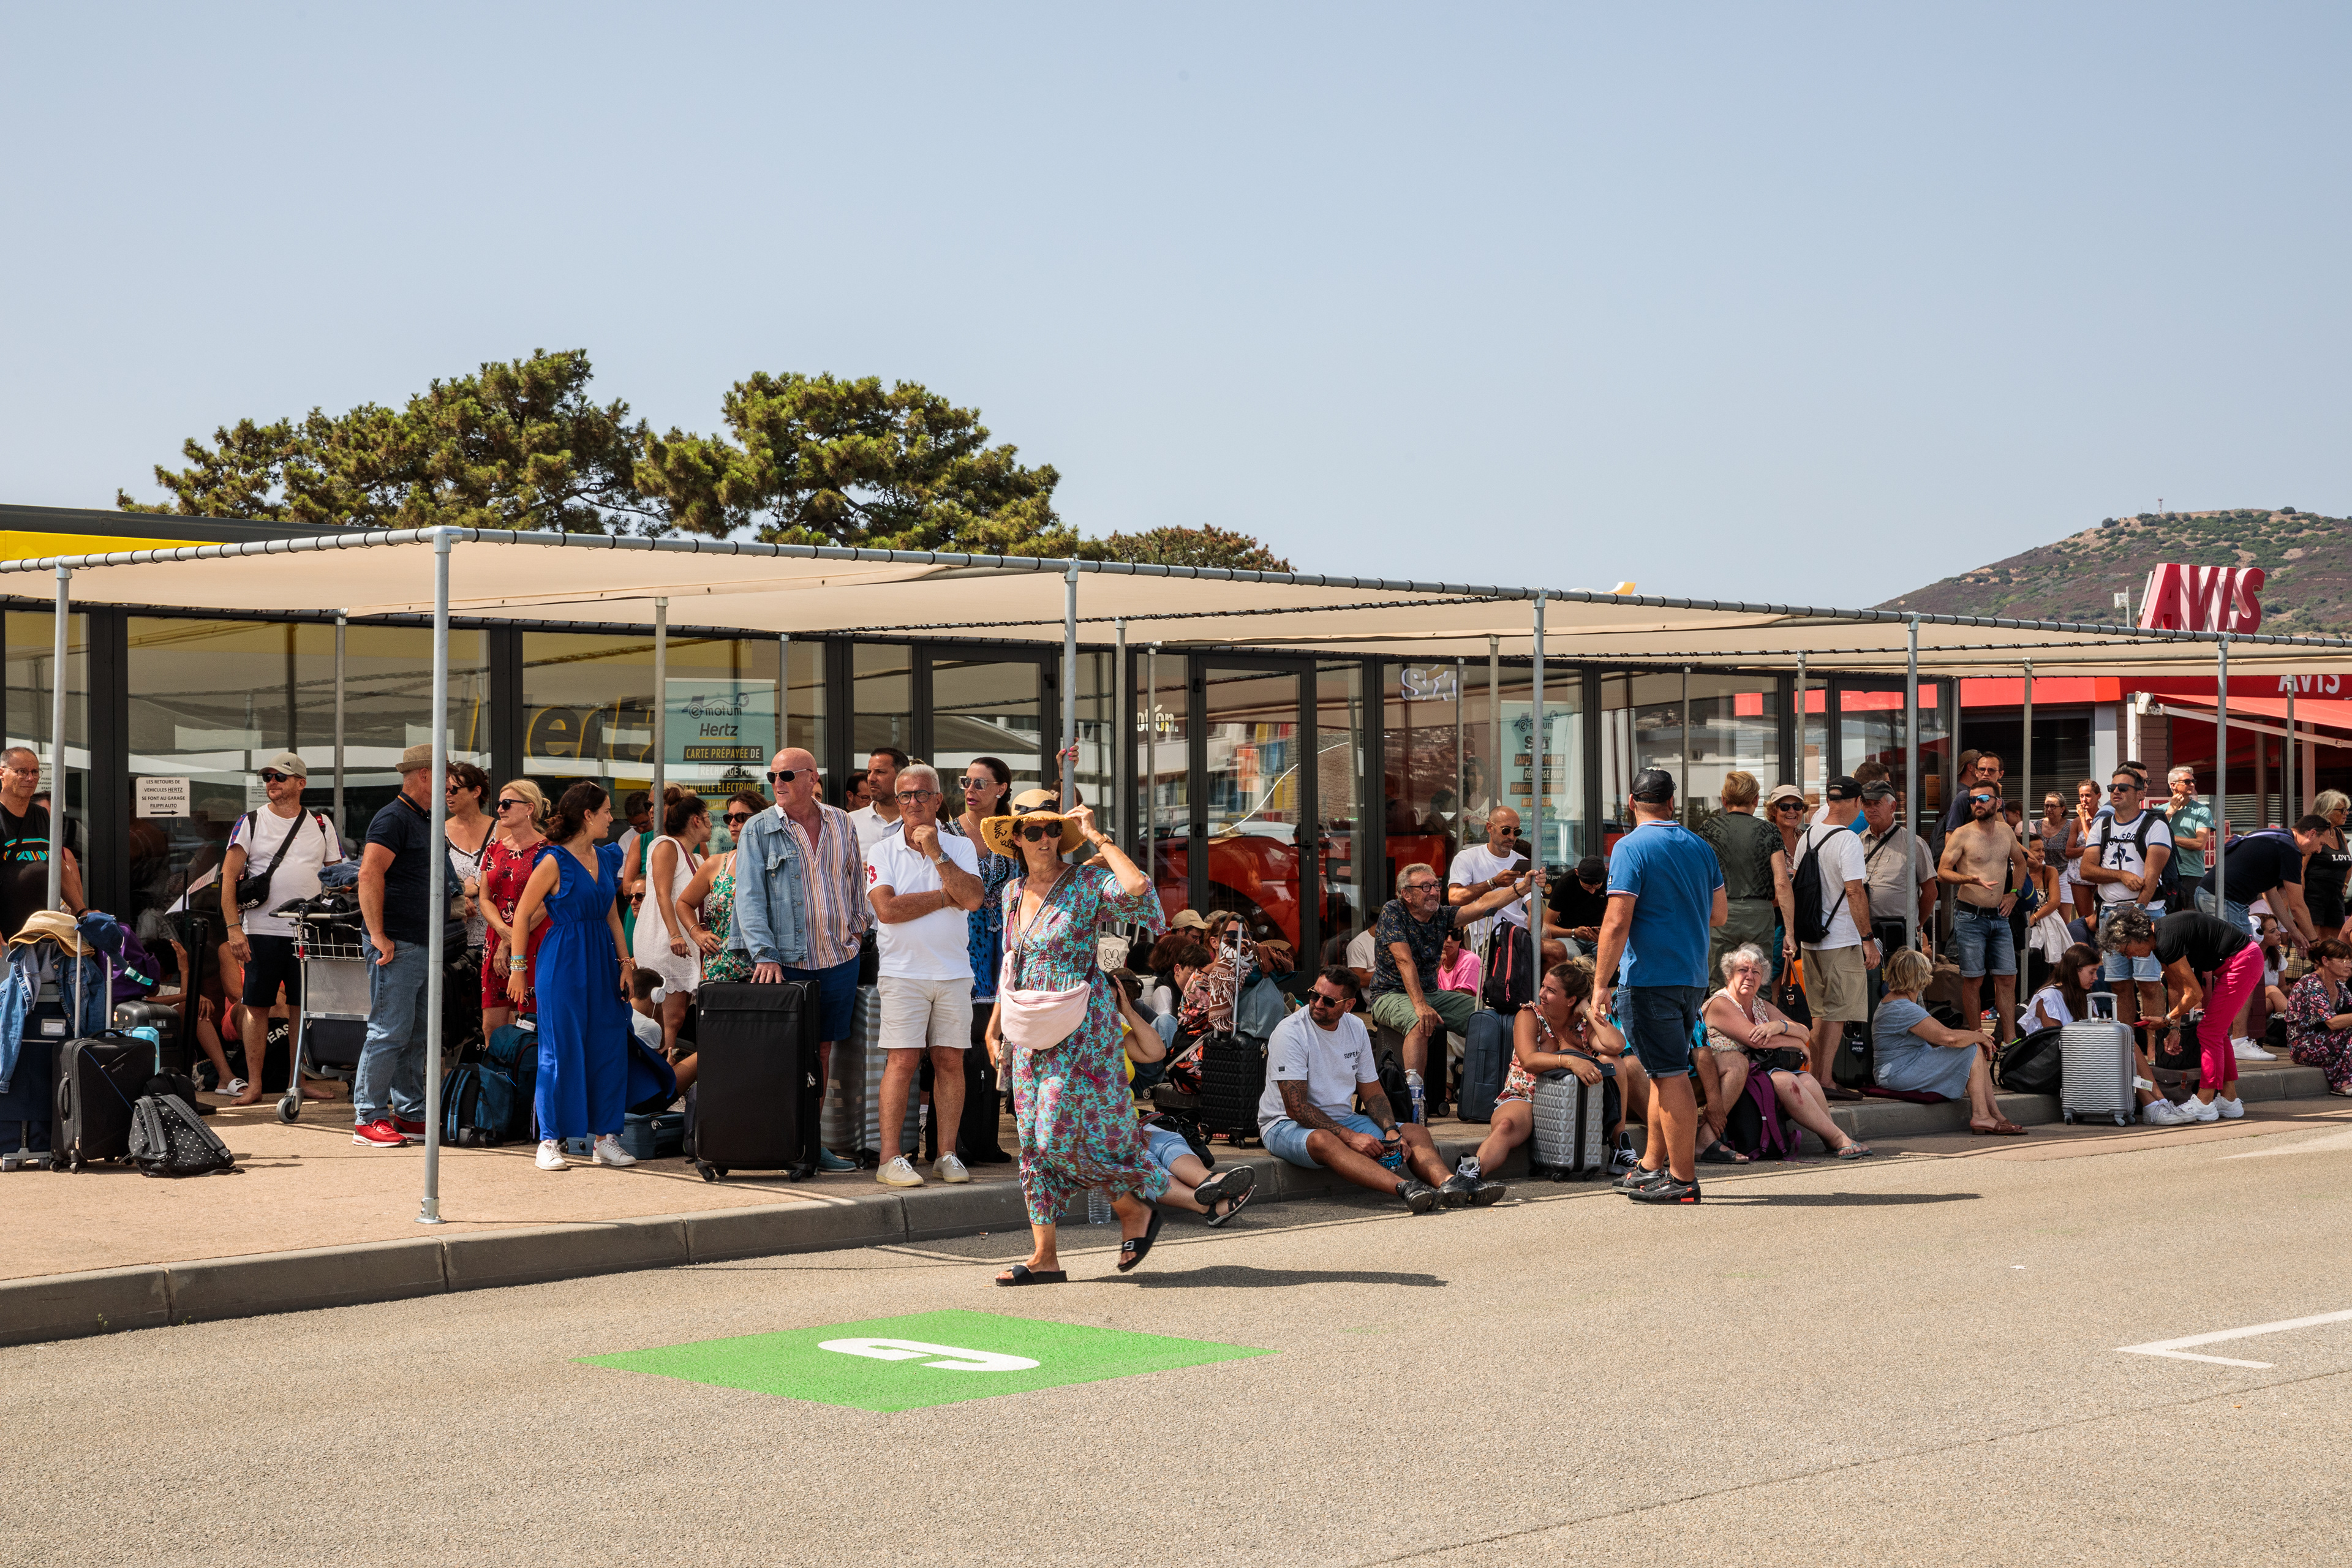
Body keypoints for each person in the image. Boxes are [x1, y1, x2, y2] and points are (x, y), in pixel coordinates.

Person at [981, 791, 1172, 1283]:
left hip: (1082, 1029)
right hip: (1028, 1029)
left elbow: (1138, 890)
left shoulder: (1087, 880)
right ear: (1016, 839)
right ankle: (1044, 1256)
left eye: (1051, 831)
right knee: (1033, 1143)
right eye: (1032, 831)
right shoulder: (1013, 893)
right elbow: (1013, 964)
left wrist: (1097, 837)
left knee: (1054, 1134)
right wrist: (995, 1024)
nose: (1043, 839)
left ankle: (1132, 1207)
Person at [732, 747, 870, 1173]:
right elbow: (748, 896)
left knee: (823, 1052)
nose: (778, 783)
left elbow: (853, 876)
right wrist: (765, 954)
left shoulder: (841, 822)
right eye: (772, 775)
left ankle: (811, 1141)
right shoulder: (759, 828)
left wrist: (859, 923)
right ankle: (778, 1139)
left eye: (787, 775)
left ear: (813, 778)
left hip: (837, 955)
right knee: (781, 1054)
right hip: (783, 961)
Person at [1593, 767, 1726, 1204]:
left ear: (1631, 802)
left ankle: (1683, 1179)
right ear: (1672, 802)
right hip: (1690, 974)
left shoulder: (1630, 847)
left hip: (1650, 977)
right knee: (1662, 1070)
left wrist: (1599, 984)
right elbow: (1719, 914)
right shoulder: (1700, 846)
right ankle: (1651, 1166)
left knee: (1669, 1076)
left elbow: (1616, 922)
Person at [1256, 965, 1493, 1211]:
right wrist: (1352, 1138)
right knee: (1324, 1139)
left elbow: (1372, 1091)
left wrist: (1390, 1130)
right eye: (1314, 995)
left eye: (1328, 1001)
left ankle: (1451, 1184)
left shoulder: (1356, 1027)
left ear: (1348, 1005)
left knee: (1416, 1133)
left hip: (1341, 1119)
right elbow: (1297, 1109)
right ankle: (1406, 1188)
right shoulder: (1290, 1032)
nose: (1317, 1004)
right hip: (1283, 1125)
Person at [505, 780, 638, 1169]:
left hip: (602, 958)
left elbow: (612, 915)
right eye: (607, 811)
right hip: (562, 959)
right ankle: (549, 1141)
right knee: (560, 1050)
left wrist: (627, 964)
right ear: (588, 815)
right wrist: (518, 969)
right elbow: (522, 918)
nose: (612, 818)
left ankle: (605, 1139)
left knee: (609, 1047)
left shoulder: (607, 857)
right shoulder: (552, 861)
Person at [866, 763, 984, 1187]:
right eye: (905, 796)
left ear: (938, 799)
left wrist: (937, 853)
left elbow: (972, 899)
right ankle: (889, 1159)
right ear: (897, 803)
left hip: (953, 971)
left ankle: (946, 1153)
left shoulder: (959, 847)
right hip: (902, 973)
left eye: (921, 795)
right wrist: (942, 896)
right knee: (902, 1061)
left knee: (951, 1061)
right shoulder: (882, 851)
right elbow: (887, 910)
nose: (913, 803)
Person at [1364, 859, 1543, 1115]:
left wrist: (1521, 889)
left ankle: (1503, 1087)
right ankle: (1414, 1098)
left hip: (1430, 993)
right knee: (1419, 1020)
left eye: (1436, 885)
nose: (1435, 891)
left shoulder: (1441, 916)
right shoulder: (1394, 911)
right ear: (1406, 894)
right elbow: (1404, 961)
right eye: (1425, 887)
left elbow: (1482, 906)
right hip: (1389, 995)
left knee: (1487, 1016)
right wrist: (1420, 1006)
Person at [218, 751, 343, 1107]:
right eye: (267, 777)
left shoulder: (321, 823)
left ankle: (298, 1081)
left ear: (300, 784)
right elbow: (228, 879)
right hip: (261, 929)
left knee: (301, 1009)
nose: (271, 783)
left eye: (279, 777)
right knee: (256, 1006)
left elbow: (337, 872)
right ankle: (255, 1084)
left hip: (309, 930)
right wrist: (233, 928)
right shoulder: (251, 821)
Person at [1460, 958, 1643, 1185]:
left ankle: (1618, 1146)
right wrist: (1568, 1061)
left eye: (1551, 991)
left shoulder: (1582, 1025)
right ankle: (1470, 1176)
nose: (1542, 994)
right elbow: (1528, 1060)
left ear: (1571, 1000)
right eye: (1543, 987)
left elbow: (1616, 1045)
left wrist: (1587, 1010)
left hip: (1571, 1103)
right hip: (1527, 1095)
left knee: (1613, 1062)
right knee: (1506, 1126)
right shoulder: (1530, 1015)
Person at [352, 744, 453, 1148]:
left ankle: (409, 1113)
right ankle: (368, 1116)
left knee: (418, 1035)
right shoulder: (393, 818)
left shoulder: (425, 818)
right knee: (389, 1033)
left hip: (423, 942)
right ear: (426, 775)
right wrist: (378, 935)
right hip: (399, 944)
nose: (451, 785)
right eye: (446, 775)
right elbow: (369, 874)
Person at [1702, 943, 1871, 1159]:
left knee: (1808, 1080)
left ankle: (1832, 1139)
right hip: (1728, 1074)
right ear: (1729, 974)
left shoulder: (1760, 1005)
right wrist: (1798, 1044)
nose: (1749, 976)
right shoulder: (1721, 1003)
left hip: (1755, 1071)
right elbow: (1756, 1040)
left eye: (1756, 972)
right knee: (1784, 1080)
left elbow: (1804, 1031)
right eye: (1742, 970)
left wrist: (1780, 1026)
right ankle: (1839, 1138)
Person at [2098, 903, 2261, 1122]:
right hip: (2242, 961)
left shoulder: (2166, 940)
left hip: (2242, 962)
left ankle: (2204, 1101)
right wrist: (2174, 1029)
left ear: (2135, 936)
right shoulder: (2159, 940)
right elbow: (2176, 986)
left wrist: (2166, 1019)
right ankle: (2229, 1099)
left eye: (2126, 951)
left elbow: (2194, 994)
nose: (2128, 957)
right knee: (2218, 1032)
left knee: (2209, 1032)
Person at [1115, 986, 1255, 1224]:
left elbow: (1156, 1052)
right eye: (1099, 999)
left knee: (1170, 1140)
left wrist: (1127, 1011)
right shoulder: (1071, 1037)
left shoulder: (1113, 1029)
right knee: (1141, 1160)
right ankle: (1204, 1205)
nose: (1105, 1006)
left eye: (1112, 1000)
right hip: (1092, 1130)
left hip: (1128, 1121)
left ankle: (1210, 1181)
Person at [1873, 948, 2024, 1134]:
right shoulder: (1903, 1007)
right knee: (1972, 1048)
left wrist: (1974, 1037)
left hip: (1904, 1065)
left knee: (1973, 1046)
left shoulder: (1899, 1001)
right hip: (1896, 1072)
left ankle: (1991, 1113)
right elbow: (1948, 1038)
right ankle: (1982, 1115)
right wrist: (1977, 1037)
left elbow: (1944, 1036)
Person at [1792, 777, 1879, 1096]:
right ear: (1857, 803)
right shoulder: (1848, 841)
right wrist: (1867, 939)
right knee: (1839, 1012)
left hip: (1811, 937)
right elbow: (1855, 891)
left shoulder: (1808, 837)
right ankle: (1825, 1080)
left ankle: (1815, 1075)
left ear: (1830, 801)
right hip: (1840, 938)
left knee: (1818, 1013)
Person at [2079, 767, 2173, 1031]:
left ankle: (2154, 1051)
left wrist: (2138, 909)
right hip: (2109, 912)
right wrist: (2121, 875)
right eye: (2112, 788)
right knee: (2119, 984)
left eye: (2123, 788)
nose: (2116, 792)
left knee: (2149, 984)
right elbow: (2086, 870)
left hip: (2146, 912)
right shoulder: (2102, 824)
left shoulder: (2155, 826)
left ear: (2141, 793)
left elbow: (2151, 880)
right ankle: (2130, 1049)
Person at [1937, 781, 2030, 1045]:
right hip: (1970, 916)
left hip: (1999, 915)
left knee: (2007, 978)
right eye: (1973, 800)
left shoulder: (2006, 832)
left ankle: (2010, 1040)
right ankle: (1978, 1041)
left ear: (1998, 802)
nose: (1977, 803)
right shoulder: (1963, 834)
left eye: (1983, 798)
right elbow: (1943, 871)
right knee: (1973, 979)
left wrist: (2013, 894)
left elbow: (2021, 863)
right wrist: (1969, 879)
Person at [633, 786, 715, 1061]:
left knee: (676, 1017)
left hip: (684, 944)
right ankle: (657, 1073)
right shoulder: (665, 845)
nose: (712, 823)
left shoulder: (698, 858)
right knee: (664, 1016)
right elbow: (661, 893)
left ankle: (664, 1071)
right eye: (708, 817)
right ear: (696, 820)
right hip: (664, 939)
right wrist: (675, 935)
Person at [674, 789, 769, 989]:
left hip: (764, 968)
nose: (732, 823)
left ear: (760, 820)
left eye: (741, 817)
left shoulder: (774, 862)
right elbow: (683, 903)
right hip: (719, 968)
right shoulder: (717, 864)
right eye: (729, 817)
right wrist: (696, 933)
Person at [1698, 771, 1784, 985]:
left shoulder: (1709, 828)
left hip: (1720, 912)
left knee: (1719, 982)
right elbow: (1782, 882)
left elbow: (1698, 875)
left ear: (1724, 800)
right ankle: (1757, 1019)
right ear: (1756, 800)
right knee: (1758, 982)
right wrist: (1790, 932)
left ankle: (1721, 1018)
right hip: (1759, 915)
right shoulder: (1769, 830)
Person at [478, 779, 549, 1036]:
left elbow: (545, 905)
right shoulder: (494, 849)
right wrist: (503, 933)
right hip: (496, 938)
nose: (500, 809)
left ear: (529, 808)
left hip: (535, 939)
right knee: (491, 1026)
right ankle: (495, 1077)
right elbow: (485, 898)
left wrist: (509, 942)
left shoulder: (548, 851)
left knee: (529, 1022)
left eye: (507, 804)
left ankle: (527, 1076)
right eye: (499, 804)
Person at [0, 743, 86, 934]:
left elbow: (59, 869)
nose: (30, 778)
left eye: (35, 772)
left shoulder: (43, 816)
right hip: (7, 937)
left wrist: (81, 911)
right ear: (2, 773)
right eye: (21, 772)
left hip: (44, 933)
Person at [2201, 815, 2325, 947]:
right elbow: (2297, 906)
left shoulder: (2278, 837)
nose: (2319, 850)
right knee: (2245, 953)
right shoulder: (2290, 850)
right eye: (2321, 844)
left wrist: (2294, 932)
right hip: (2223, 898)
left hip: (2208, 893)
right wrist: (2314, 942)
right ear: (2312, 834)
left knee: (2231, 952)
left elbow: (2271, 894)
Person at [1856, 779, 1936, 984]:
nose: (1871, 809)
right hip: (1863, 932)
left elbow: (1930, 891)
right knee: (1868, 990)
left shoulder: (1913, 843)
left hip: (1898, 933)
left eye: (1877, 803)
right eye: (1867, 804)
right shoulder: (1855, 842)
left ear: (1892, 807)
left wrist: (1916, 923)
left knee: (1903, 988)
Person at [442, 761, 494, 1052]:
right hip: (455, 935)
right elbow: (431, 878)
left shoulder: (500, 829)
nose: (448, 795)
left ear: (476, 791)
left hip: (495, 931)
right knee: (459, 1008)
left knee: (495, 1010)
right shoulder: (438, 830)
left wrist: (475, 889)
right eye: (445, 789)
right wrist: (460, 896)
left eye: (454, 789)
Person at [1447, 805, 1529, 963]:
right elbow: (1454, 898)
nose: (1512, 837)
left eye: (1516, 832)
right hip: (1489, 937)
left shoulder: (1523, 862)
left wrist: (1535, 935)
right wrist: (1493, 883)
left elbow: (1534, 907)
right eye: (1506, 830)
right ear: (1490, 828)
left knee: (1558, 951)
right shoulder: (1468, 858)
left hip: (1520, 934)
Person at [2282, 936, 2352, 1095]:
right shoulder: (2310, 983)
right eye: (2344, 961)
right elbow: (2332, 1023)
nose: (2349, 966)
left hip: (2329, 1040)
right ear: (2326, 961)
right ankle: (2343, 1083)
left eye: (2350, 961)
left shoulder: (2339, 986)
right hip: (2303, 1046)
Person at [2300, 790, 2350, 941]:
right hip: (2313, 898)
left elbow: (2348, 863)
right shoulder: (2313, 833)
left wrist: (2345, 885)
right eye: (2342, 810)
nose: (2347, 813)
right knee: (2313, 945)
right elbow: (2300, 869)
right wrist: (2300, 900)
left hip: (2335, 899)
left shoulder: (2339, 833)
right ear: (2327, 811)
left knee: (2333, 947)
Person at [2022, 942, 2100, 1034]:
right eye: (2091, 972)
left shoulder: (2086, 997)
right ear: (2075, 970)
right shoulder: (2048, 998)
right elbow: (2056, 1039)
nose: (2096, 977)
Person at [1545, 854, 1612, 959]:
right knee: (1571, 955)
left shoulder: (1610, 881)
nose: (1592, 891)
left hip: (1598, 934)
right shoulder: (1566, 882)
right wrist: (1574, 933)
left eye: (1597, 887)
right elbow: (1547, 925)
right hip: (1568, 934)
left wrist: (1604, 934)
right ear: (1577, 873)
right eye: (1587, 887)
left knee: (1608, 954)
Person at [2163, 767, 2216, 893]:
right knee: (2168, 912)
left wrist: (2169, 837)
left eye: (2193, 781)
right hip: (2166, 873)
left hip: (2192, 873)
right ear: (2173, 785)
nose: (2192, 784)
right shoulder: (2161, 811)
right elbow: (2152, 837)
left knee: (2191, 912)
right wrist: (2170, 812)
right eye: (2187, 782)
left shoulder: (2202, 811)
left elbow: (2200, 844)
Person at [849, 746, 909, 858]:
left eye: (880, 772)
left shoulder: (919, 820)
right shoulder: (850, 821)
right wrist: (855, 871)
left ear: (901, 776)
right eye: (869, 772)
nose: (871, 778)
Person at [1943, 751, 2005, 832]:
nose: (1986, 774)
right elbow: (1951, 834)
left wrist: (1997, 802)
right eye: (1982, 769)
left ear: (2001, 774)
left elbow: (2006, 835)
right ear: (1976, 772)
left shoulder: (2000, 801)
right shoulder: (1964, 796)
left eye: (1991, 770)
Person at [1436, 931, 1481, 995]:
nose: (1449, 940)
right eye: (1444, 934)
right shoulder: (1433, 961)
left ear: (1461, 939)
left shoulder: (1470, 961)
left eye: (1456, 934)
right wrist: (1436, 969)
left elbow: (1459, 1002)